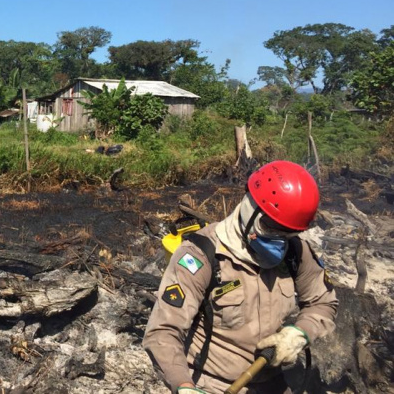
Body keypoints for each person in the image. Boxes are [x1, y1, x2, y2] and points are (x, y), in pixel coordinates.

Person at [143, 161, 338, 394]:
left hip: (273, 382)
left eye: (286, 233)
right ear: (250, 208)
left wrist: (299, 333)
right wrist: (184, 386)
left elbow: (322, 301)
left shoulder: (296, 252)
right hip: (212, 384)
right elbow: (163, 331)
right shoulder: (200, 255)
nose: (278, 240)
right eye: (271, 228)